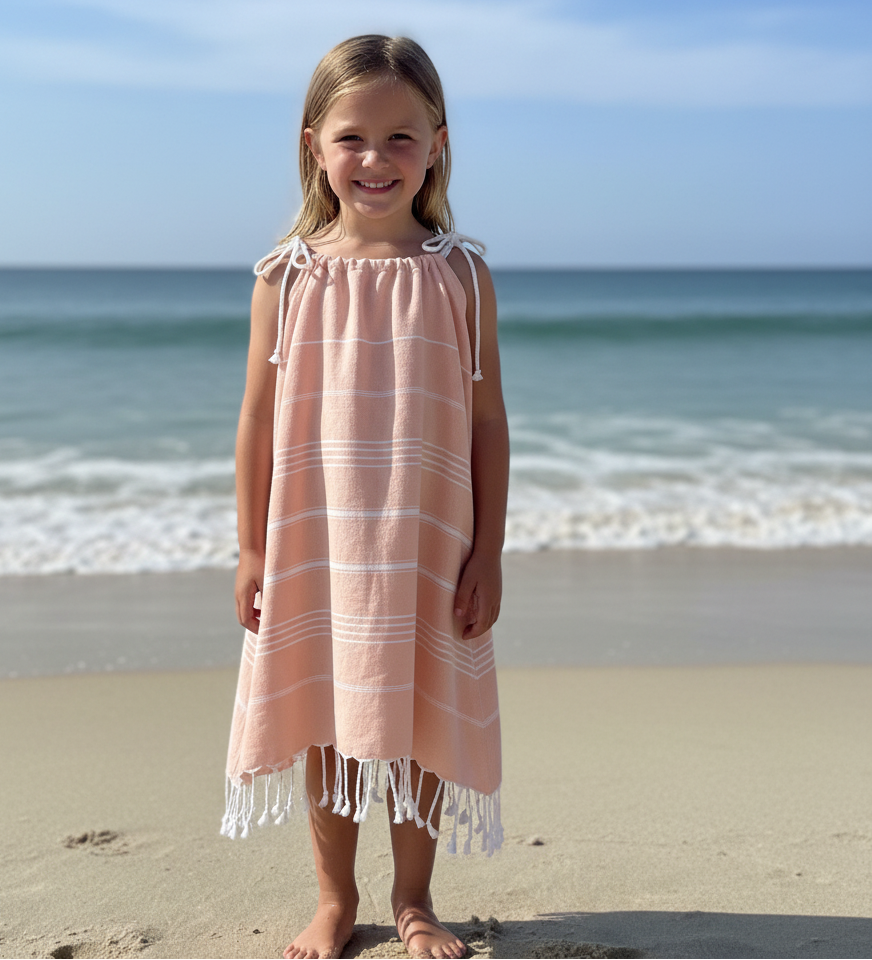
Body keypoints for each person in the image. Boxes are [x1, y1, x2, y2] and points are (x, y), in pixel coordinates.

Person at [223, 34, 509, 960]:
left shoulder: (461, 274)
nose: (376, 160)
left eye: (400, 138)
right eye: (353, 138)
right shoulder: (288, 276)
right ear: (314, 145)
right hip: (320, 537)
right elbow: (258, 424)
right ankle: (335, 901)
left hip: (428, 539)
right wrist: (252, 547)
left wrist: (489, 549)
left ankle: (416, 899)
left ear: (437, 144)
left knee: (419, 715)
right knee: (328, 720)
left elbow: (488, 422)